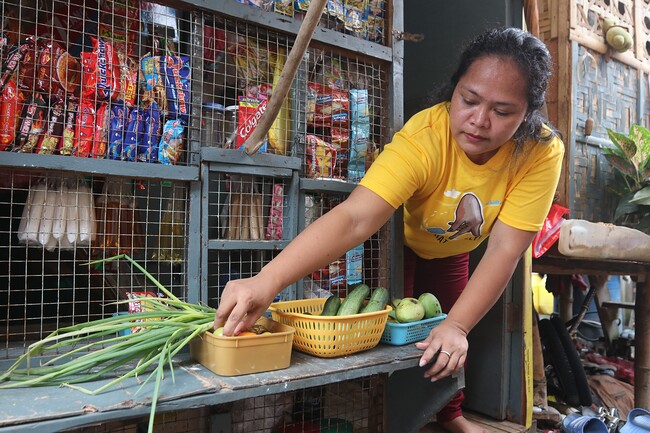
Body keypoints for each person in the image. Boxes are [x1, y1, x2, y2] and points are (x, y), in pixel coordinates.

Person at [215, 27, 565, 433]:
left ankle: (451, 416)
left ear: (527, 114)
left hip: (453, 250)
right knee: (392, 332)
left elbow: (505, 248)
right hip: (400, 245)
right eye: (469, 100)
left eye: (503, 112)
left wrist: (456, 326)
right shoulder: (424, 138)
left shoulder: (540, 151)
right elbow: (355, 218)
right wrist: (266, 280)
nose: (479, 121)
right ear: (454, 90)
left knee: (447, 339)